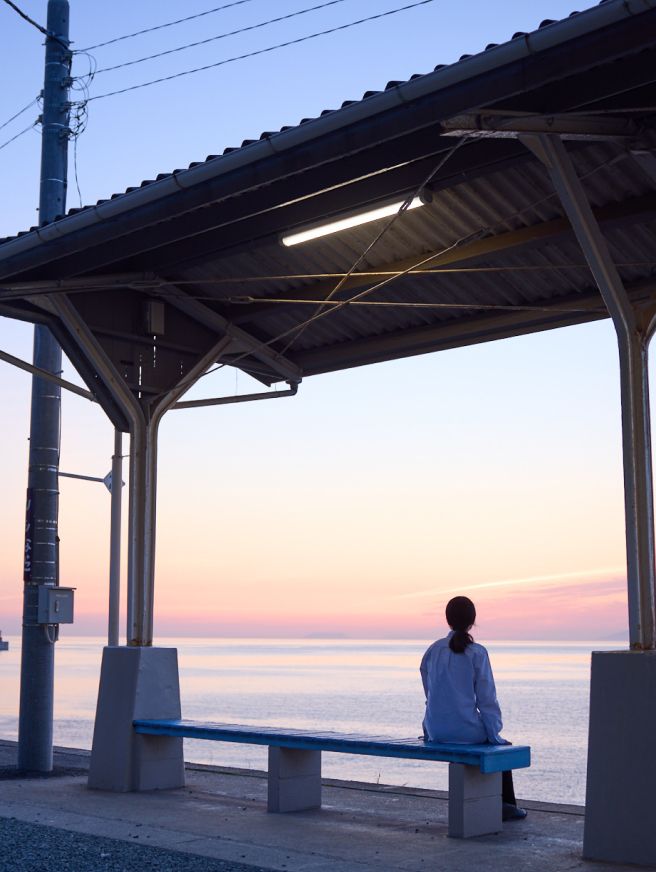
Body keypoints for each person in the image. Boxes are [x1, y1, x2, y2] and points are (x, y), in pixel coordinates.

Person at [420, 595, 527, 822]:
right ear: (472, 621)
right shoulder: (477, 653)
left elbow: (430, 693)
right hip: (465, 732)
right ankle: (506, 805)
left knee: (491, 740)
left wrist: (431, 725)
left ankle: (498, 803)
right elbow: (487, 700)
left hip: (436, 731)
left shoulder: (433, 650)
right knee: (500, 748)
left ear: (447, 620)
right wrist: (494, 734)